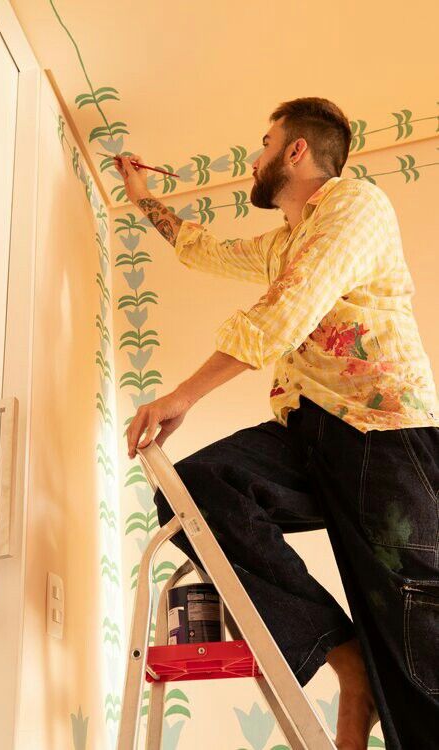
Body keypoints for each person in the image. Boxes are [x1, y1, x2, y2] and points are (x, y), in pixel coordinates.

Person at [115, 97, 439, 750]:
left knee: (415, 634)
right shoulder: (284, 244)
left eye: (263, 143)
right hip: (310, 434)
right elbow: (198, 249)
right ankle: (348, 665)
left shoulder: (355, 205)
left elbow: (287, 309)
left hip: (384, 435)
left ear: (295, 151)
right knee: (200, 489)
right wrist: (140, 193)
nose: (253, 158)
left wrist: (183, 393)